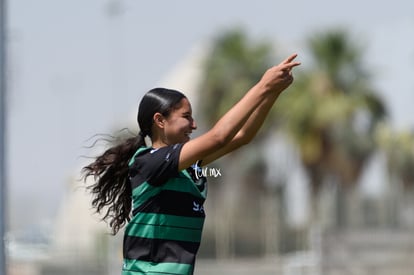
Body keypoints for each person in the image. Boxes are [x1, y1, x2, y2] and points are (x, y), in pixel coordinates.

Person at [82, 53, 300, 275]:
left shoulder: (189, 167)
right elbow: (219, 137)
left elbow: (243, 135)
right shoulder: (148, 161)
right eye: (186, 116)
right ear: (159, 120)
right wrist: (262, 86)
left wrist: (273, 92)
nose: (194, 125)